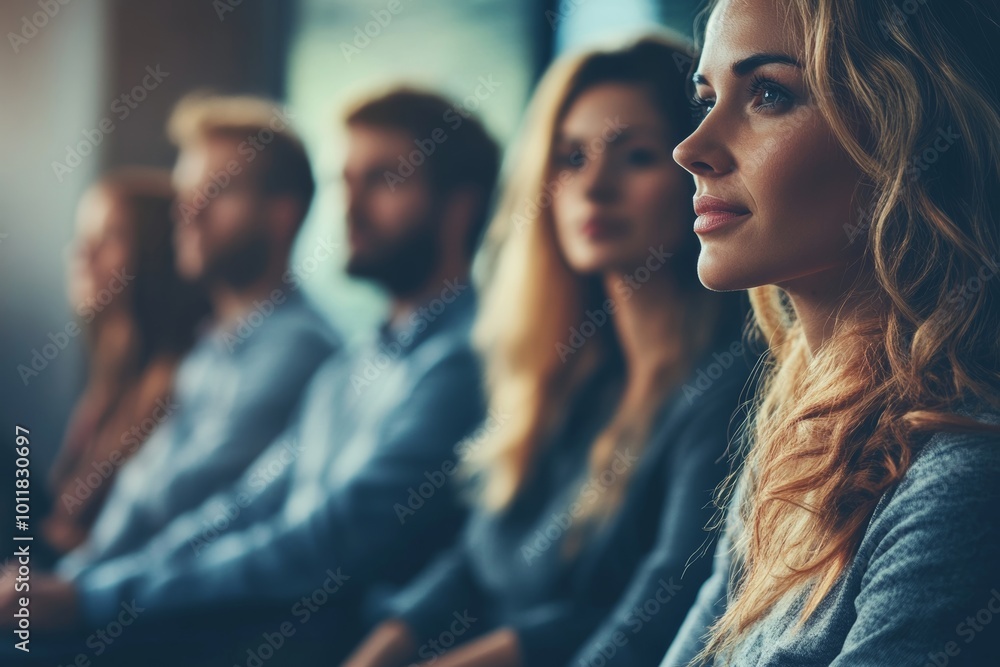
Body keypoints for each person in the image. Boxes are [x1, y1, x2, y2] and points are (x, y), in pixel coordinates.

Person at [0, 87, 500, 667]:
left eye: (384, 179)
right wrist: (89, 589)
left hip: (314, 636)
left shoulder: (462, 362)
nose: (350, 206)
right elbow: (241, 506)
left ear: (458, 208)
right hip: (249, 616)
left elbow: (326, 543)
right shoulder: (353, 362)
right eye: (348, 181)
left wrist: (94, 596)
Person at [343, 35, 755, 667]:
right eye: (571, 157)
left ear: (694, 170)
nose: (595, 185)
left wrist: (506, 651)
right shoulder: (582, 376)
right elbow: (479, 559)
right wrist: (388, 643)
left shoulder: (732, 386)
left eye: (637, 156)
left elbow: (665, 614)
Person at [661, 0, 1000, 665]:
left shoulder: (963, 478)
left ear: (905, 135)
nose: (691, 149)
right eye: (707, 98)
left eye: (768, 94)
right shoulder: (805, 430)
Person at [54, 94, 339, 577]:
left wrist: (75, 586)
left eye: (219, 190)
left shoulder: (294, 346)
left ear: (282, 213)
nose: (189, 211)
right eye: (188, 192)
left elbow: (178, 499)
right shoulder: (210, 346)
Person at [40, 168, 210, 560]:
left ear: (157, 253)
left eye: (111, 237)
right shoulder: (112, 376)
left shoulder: (177, 384)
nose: (83, 253)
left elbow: (138, 553)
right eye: (83, 236)